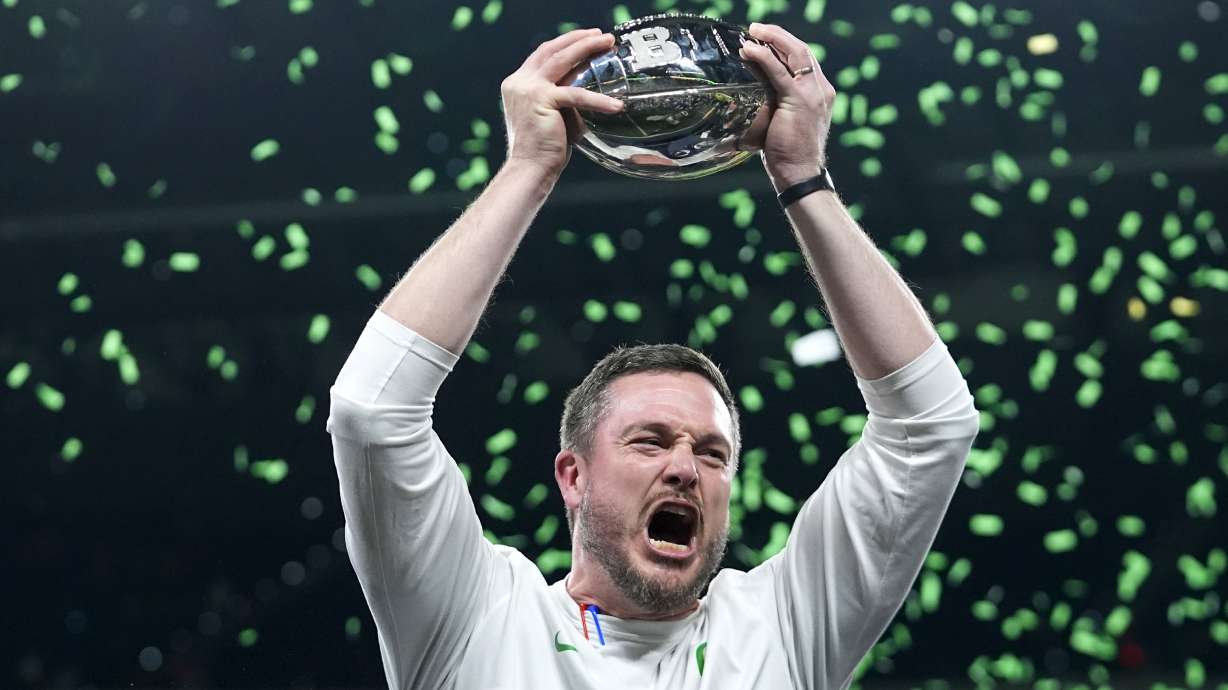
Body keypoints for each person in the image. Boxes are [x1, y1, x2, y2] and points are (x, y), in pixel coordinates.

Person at [327, 23, 979, 690]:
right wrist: (528, 167)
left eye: (712, 453)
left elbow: (929, 426)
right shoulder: (477, 620)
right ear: (572, 476)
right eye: (649, 441)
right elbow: (373, 412)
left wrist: (803, 177)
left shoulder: (781, 625)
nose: (685, 470)